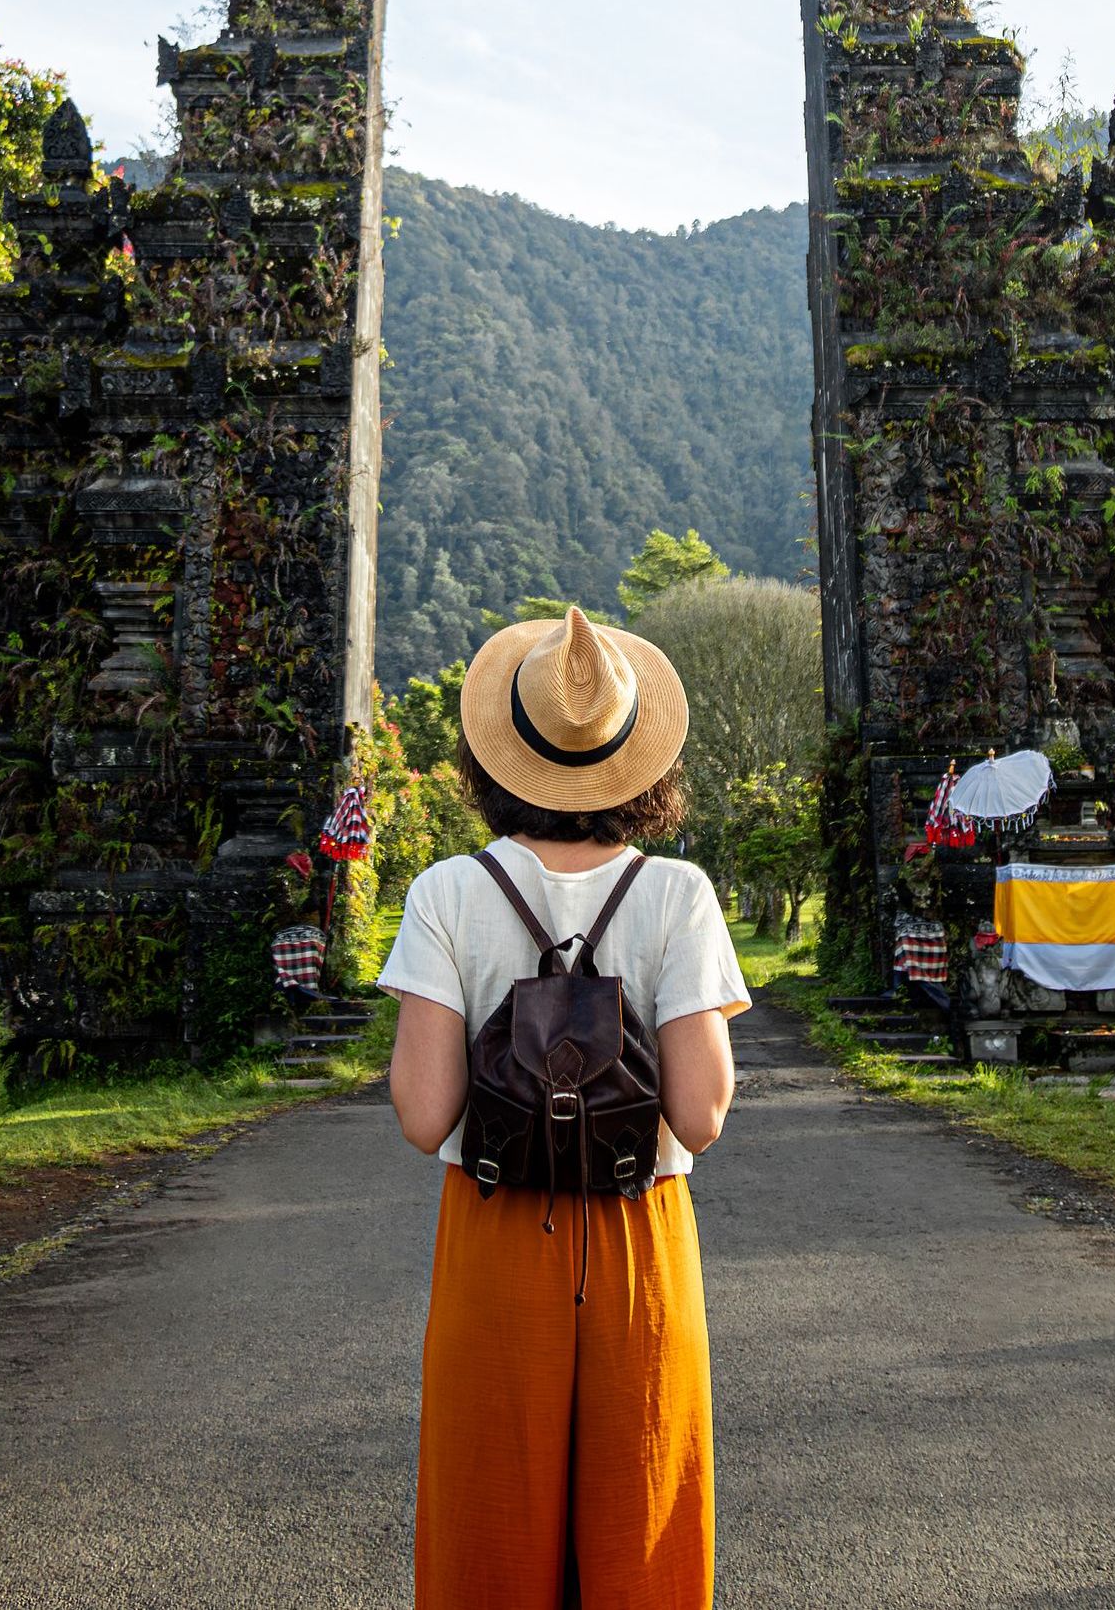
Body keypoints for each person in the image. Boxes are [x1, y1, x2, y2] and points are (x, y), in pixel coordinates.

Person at [381, 608, 749, 1609]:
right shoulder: (679, 895)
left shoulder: (447, 894)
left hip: (497, 1232)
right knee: (645, 1540)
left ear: (499, 756)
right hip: (640, 1239)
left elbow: (424, 1117)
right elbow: (702, 1113)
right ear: (637, 760)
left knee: (487, 1540)